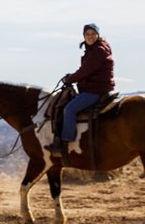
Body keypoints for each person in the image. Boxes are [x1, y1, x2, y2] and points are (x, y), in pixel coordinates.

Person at [49, 24, 115, 157]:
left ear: (98, 35)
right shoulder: (94, 50)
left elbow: (85, 71)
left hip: (95, 90)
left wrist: (69, 79)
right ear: (84, 37)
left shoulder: (98, 51)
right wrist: (72, 77)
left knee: (69, 109)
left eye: (93, 34)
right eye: (87, 34)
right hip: (97, 87)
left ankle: (65, 142)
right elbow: (86, 71)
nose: (90, 36)